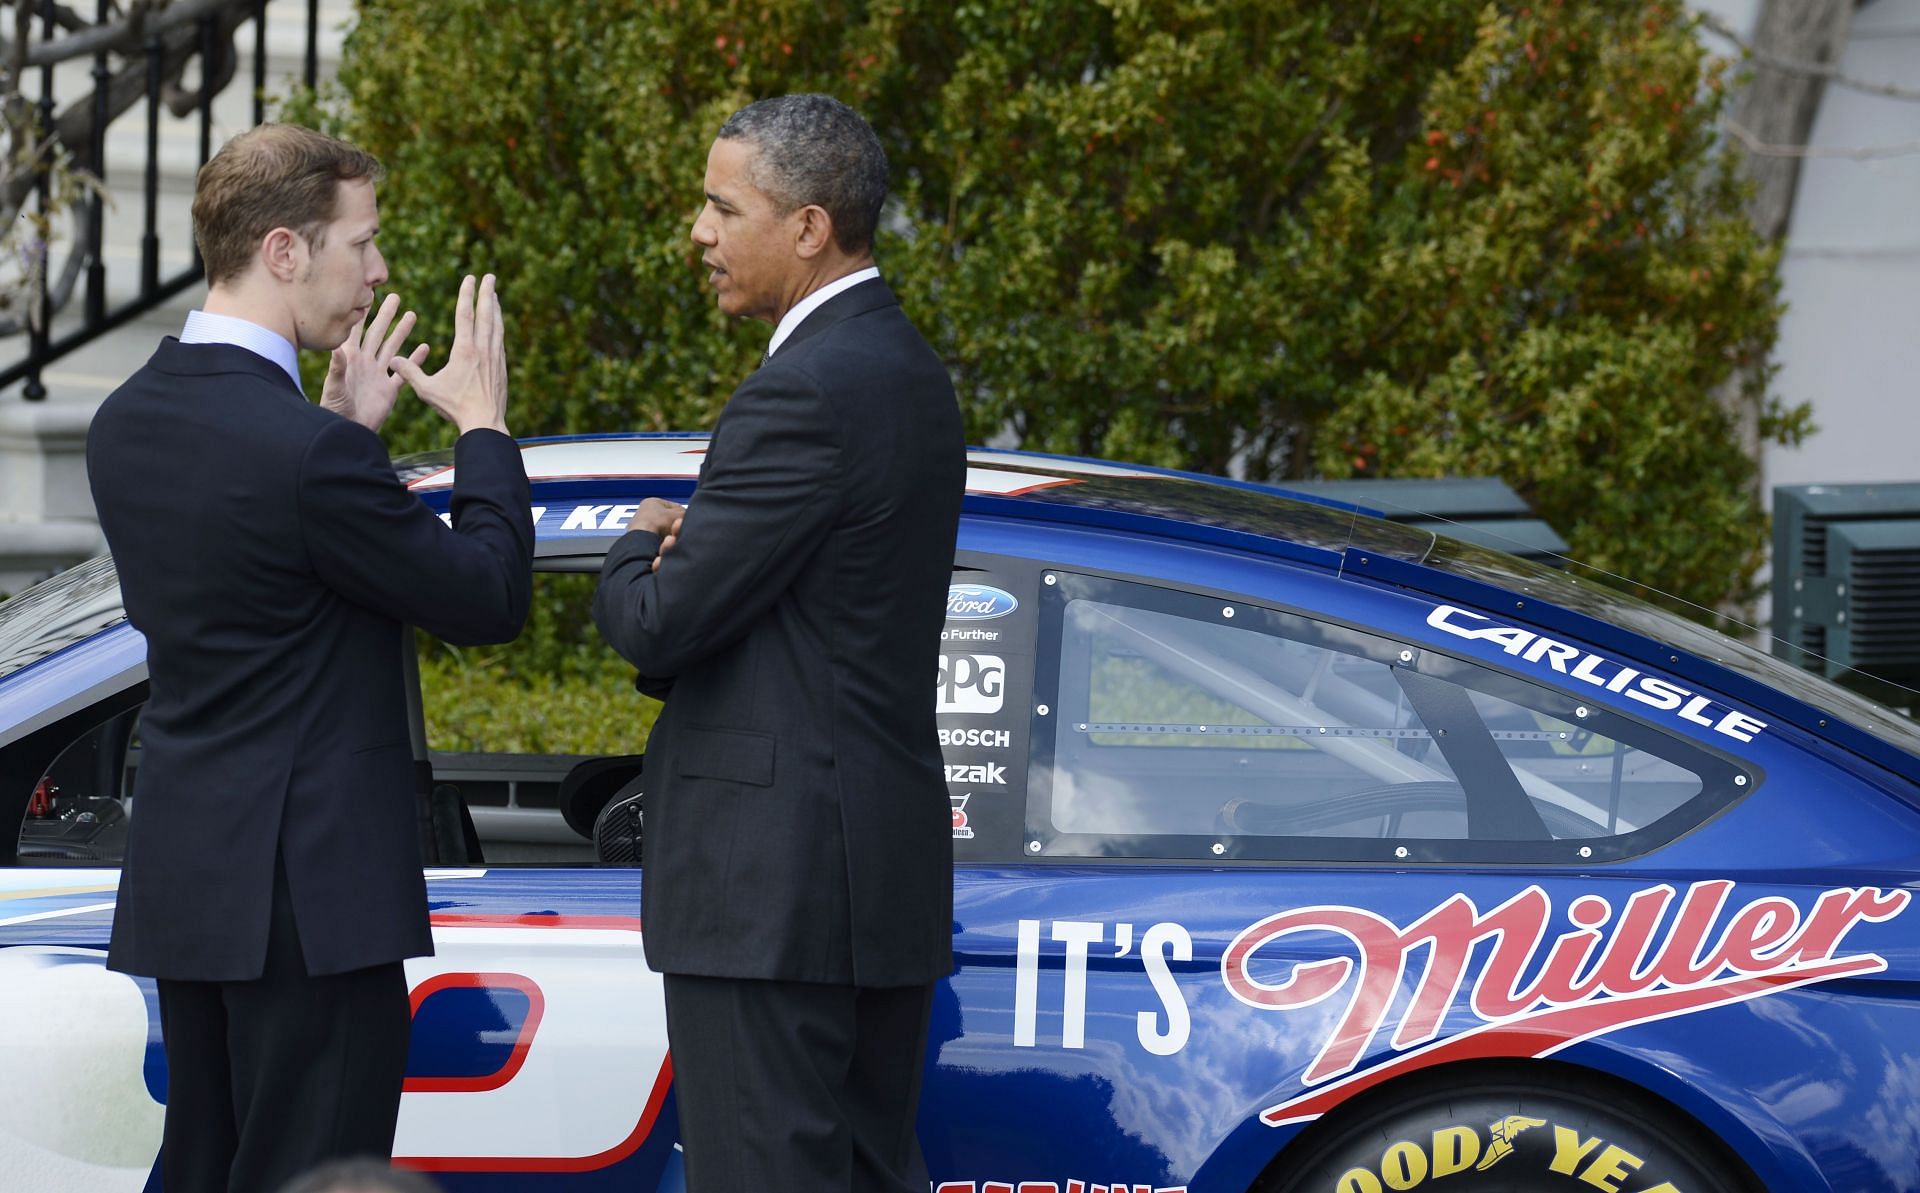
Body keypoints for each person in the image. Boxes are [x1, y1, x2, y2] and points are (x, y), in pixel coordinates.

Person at [86, 123, 532, 1193]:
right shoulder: (310, 455)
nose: (376, 271)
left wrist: (344, 436)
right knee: (315, 1172)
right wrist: (484, 427)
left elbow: (268, 582)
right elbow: (486, 596)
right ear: (284, 251)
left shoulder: (127, 417)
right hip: (318, 902)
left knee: (203, 1160)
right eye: (361, 243)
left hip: (196, 882)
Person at [592, 94, 964, 1192]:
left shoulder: (801, 390)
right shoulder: (904, 370)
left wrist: (636, 538)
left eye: (721, 206)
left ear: (807, 227)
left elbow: (660, 620)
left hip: (772, 899)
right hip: (862, 881)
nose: (699, 232)